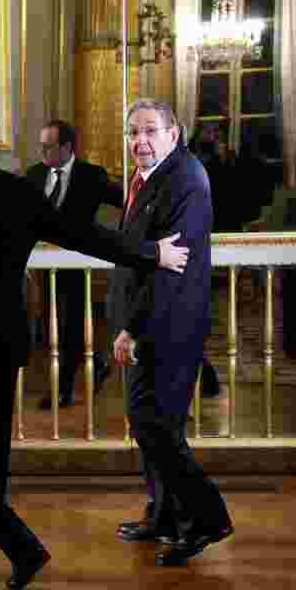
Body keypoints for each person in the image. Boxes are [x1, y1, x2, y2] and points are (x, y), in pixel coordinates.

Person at [0, 101, 189, 590]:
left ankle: (20, 546)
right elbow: (84, 236)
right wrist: (152, 252)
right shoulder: (17, 191)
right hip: (4, 340)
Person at [109, 99, 234, 565]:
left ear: (174, 133)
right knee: (150, 427)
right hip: (151, 324)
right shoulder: (155, 176)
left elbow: (170, 267)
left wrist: (132, 329)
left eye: (150, 132)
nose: (140, 142)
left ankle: (205, 520)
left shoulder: (185, 179)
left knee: (156, 426)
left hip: (166, 325)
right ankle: (163, 515)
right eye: (133, 132)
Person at [25, 120, 124, 409]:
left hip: (77, 262)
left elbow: (127, 203)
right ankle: (97, 365)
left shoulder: (91, 175)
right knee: (55, 324)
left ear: (67, 147)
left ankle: (63, 389)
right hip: (43, 265)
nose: (42, 151)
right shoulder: (34, 175)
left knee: (69, 323)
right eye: (40, 145)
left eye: (48, 146)